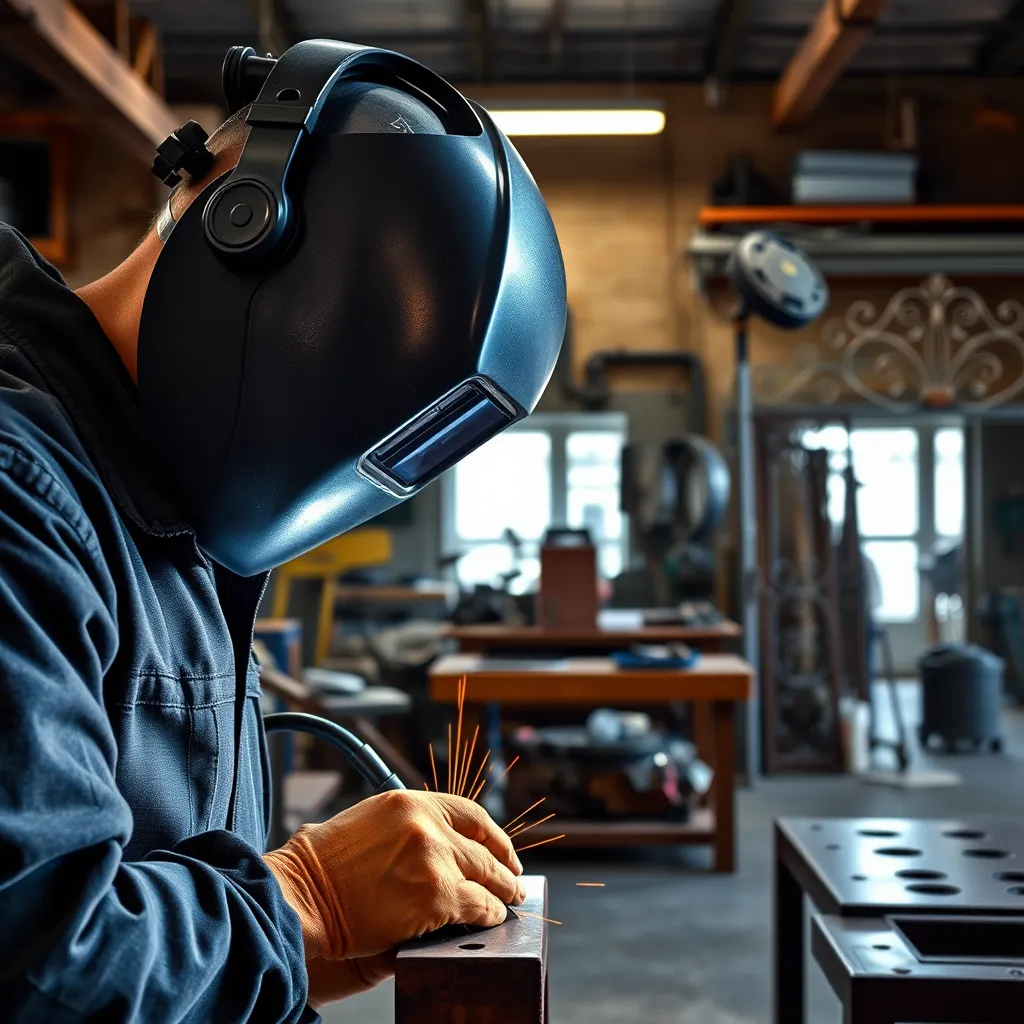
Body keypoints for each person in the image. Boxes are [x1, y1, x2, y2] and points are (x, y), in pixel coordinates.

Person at [0, 103, 528, 1020]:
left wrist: (280, 961)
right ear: (241, 227)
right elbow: (43, 968)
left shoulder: (176, 511)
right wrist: (307, 899)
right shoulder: (22, 496)